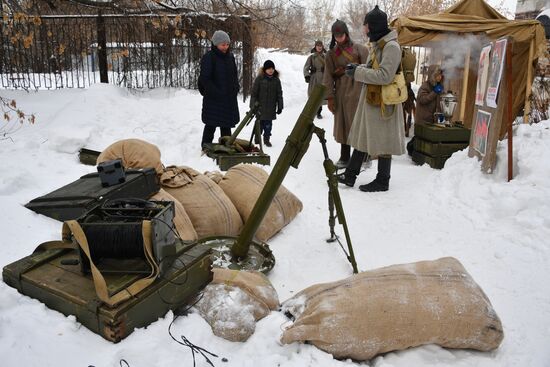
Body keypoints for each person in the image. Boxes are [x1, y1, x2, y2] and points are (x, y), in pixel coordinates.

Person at [337, 5, 405, 192]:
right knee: (363, 136)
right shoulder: (378, 44)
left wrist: (358, 72)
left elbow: (385, 76)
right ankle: (351, 175)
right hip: (374, 100)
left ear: (373, 26)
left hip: (384, 103)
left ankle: (383, 180)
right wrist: (357, 68)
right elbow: (373, 69)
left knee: (383, 141)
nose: (364, 29)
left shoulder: (391, 46)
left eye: (366, 25)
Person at [323, 19, 368, 168]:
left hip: (358, 90)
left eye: (341, 35)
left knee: (358, 124)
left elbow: (369, 69)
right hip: (341, 91)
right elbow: (327, 76)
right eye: (336, 36)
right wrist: (330, 97)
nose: (339, 38)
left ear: (346, 34)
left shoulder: (360, 49)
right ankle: (344, 156)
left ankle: (362, 156)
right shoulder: (331, 54)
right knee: (342, 124)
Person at [198, 30, 240, 149]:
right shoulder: (209, 58)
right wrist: (216, 92)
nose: (225, 47)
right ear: (216, 44)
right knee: (211, 125)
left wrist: (235, 87)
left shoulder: (230, 57)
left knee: (226, 126)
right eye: (223, 44)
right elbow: (205, 79)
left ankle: (226, 148)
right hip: (214, 100)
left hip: (228, 100)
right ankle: (205, 148)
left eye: (227, 44)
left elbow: (234, 75)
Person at [249, 59, 284, 147]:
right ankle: (257, 138)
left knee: (268, 125)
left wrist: (280, 106)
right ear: (265, 69)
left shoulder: (276, 80)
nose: (271, 70)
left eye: (272, 68)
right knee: (259, 124)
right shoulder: (259, 79)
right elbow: (254, 94)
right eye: (268, 68)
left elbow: (279, 94)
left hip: (271, 108)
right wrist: (253, 106)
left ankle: (266, 139)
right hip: (260, 107)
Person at [303, 40, 327, 119]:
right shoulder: (311, 57)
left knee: (321, 95)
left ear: (322, 47)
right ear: (315, 47)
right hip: (314, 79)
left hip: (323, 78)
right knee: (313, 95)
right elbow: (306, 67)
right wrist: (307, 76)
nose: (319, 47)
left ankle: (319, 112)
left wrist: (326, 69)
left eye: (320, 46)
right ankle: (312, 111)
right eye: (318, 46)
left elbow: (330, 67)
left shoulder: (326, 57)